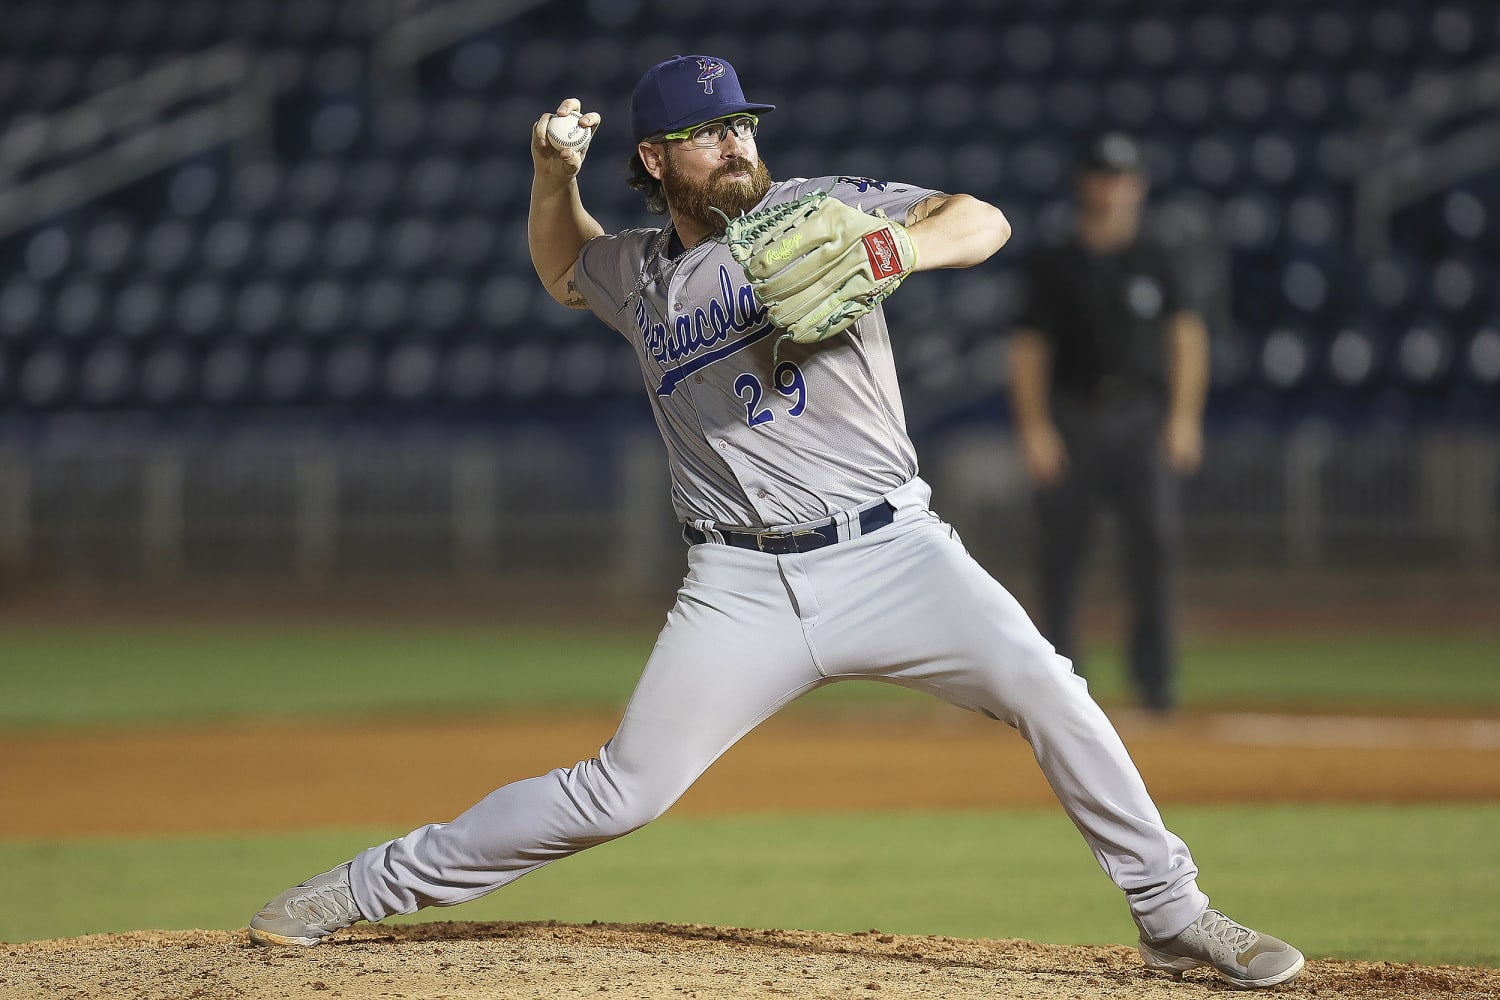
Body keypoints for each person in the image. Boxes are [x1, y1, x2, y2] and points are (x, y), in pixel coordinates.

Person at [248, 56, 1301, 990]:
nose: (737, 142)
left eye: (743, 124)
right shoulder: (643, 276)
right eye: (711, 132)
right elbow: (566, 267)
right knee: (621, 792)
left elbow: (982, 218)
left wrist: (898, 253)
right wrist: (551, 176)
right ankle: (361, 885)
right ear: (658, 160)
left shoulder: (816, 207)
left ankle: (1174, 914)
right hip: (739, 584)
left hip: (895, 550)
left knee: (1047, 686)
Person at [1007, 132, 1211, 716]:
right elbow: (1027, 350)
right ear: (1084, 184)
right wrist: (1035, 428)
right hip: (1074, 418)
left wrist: (1184, 417)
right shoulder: (1056, 262)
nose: (1114, 188)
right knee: (1061, 556)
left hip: (1143, 419)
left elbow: (1186, 338)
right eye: (1103, 176)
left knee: (1155, 548)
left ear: (1137, 186)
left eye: (1123, 177)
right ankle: (1059, 684)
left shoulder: (1158, 256)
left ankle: (1155, 682)